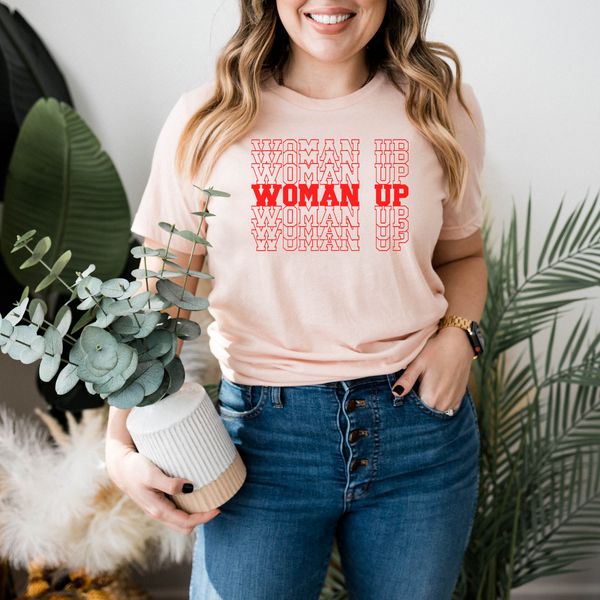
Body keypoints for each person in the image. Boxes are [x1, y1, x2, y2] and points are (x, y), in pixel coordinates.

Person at [105, 0, 487, 598]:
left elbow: (462, 257)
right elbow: (157, 306)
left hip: (421, 438)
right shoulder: (205, 120)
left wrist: (460, 333)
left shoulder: (439, 107)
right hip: (260, 449)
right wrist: (116, 446)